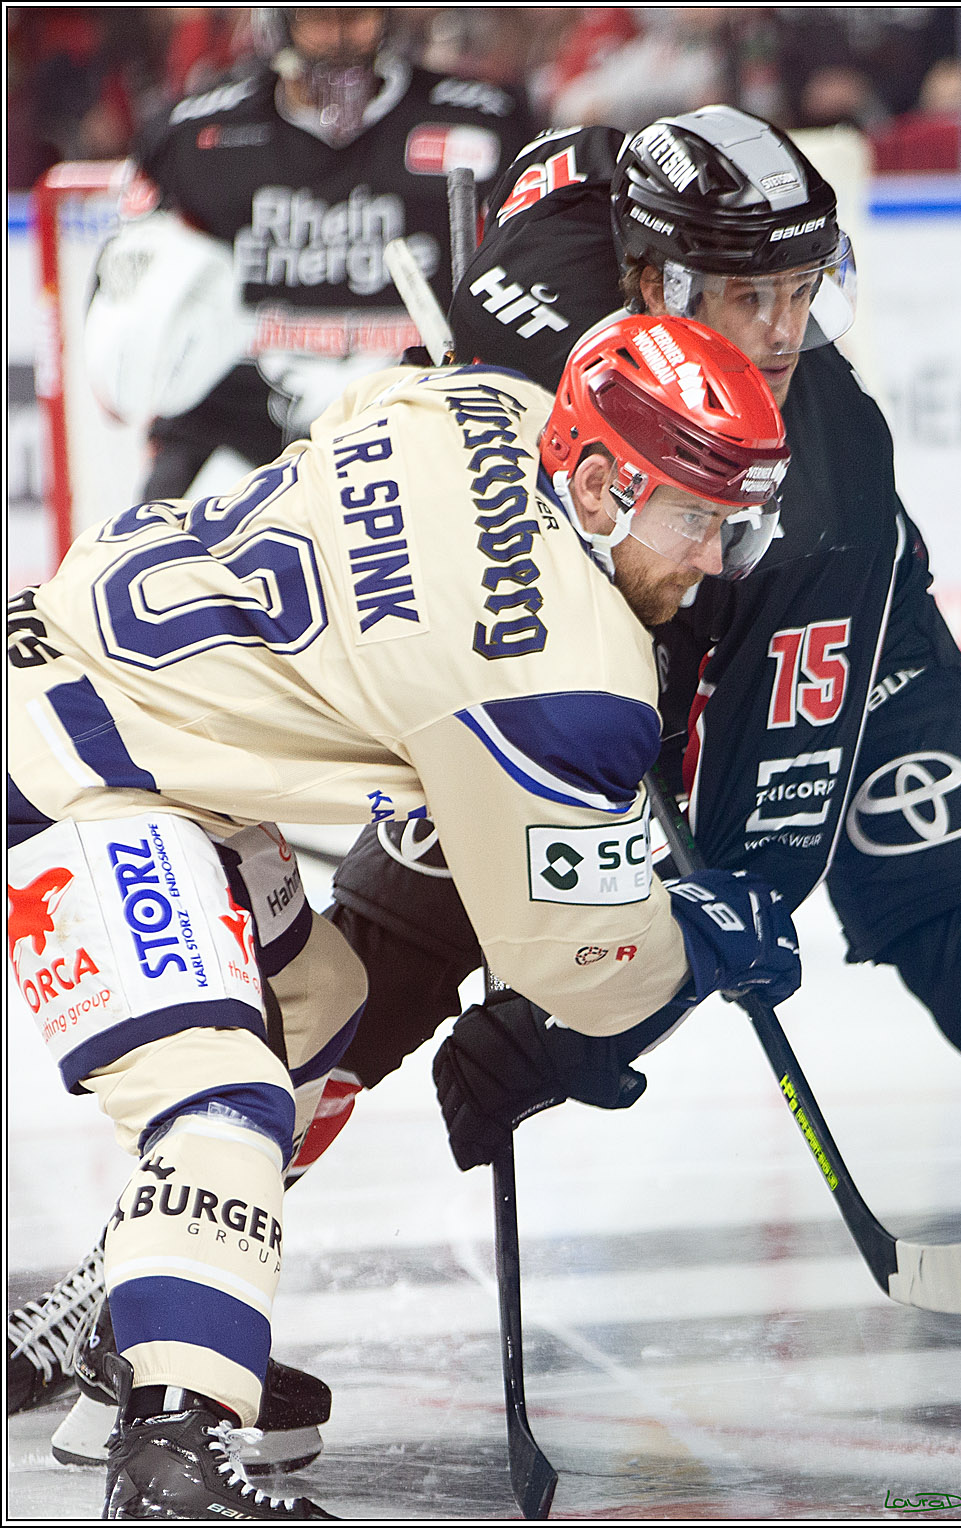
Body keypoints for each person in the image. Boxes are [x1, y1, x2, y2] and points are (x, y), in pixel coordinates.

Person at [6, 314, 800, 1519]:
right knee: (221, 1091)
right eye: (694, 517)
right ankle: (166, 1447)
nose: (712, 559)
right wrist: (699, 941)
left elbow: (361, 418)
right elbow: (575, 960)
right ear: (594, 483)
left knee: (320, 1001)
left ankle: (139, 1304)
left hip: (139, 716)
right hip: (69, 764)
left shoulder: (482, 405)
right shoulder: (568, 678)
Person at [327, 105, 961, 1172]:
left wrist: (586, 1028)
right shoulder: (557, 249)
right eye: (751, 296)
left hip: (829, 638)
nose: (785, 333)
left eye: (803, 288)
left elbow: (758, 858)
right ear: (653, 281)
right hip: (567, 634)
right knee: (376, 962)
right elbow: (580, 160)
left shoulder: (822, 503)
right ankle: (155, 1266)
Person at [82, 5, 537, 499]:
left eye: (357, 16)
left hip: (420, 405)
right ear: (278, 22)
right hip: (242, 418)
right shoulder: (193, 135)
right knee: (162, 545)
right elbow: (131, 273)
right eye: (319, 18)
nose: (340, 37)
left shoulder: (487, 121)